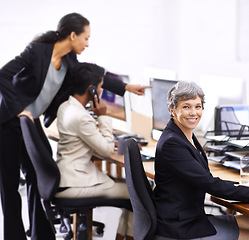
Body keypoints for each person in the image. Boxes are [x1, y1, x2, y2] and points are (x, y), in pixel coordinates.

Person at [0, 12, 149, 240]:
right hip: (9, 120)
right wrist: (20, 107)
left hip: (30, 121)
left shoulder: (69, 61)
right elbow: (3, 75)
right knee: (9, 184)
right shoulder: (37, 52)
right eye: (85, 38)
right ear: (72, 35)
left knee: (37, 178)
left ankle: (41, 235)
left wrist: (126, 87)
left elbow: (91, 75)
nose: (87, 44)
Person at [152, 81, 249, 240]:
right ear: (173, 110)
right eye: (186, 107)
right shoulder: (172, 143)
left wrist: (242, 188)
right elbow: (210, 184)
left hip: (190, 218)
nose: (193, 112)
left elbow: (207, 179)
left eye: (198, 106)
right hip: (180, 227)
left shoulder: (184, 136)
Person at [55, 62, 133, 239]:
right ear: (91, 90)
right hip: (76, 183)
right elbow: (106, 150)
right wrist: (104, 117)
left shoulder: (65, 107)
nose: (101, 91)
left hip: (65, 178)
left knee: (134, 189)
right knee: (137, 192)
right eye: (100, 87)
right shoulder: (81, 117)